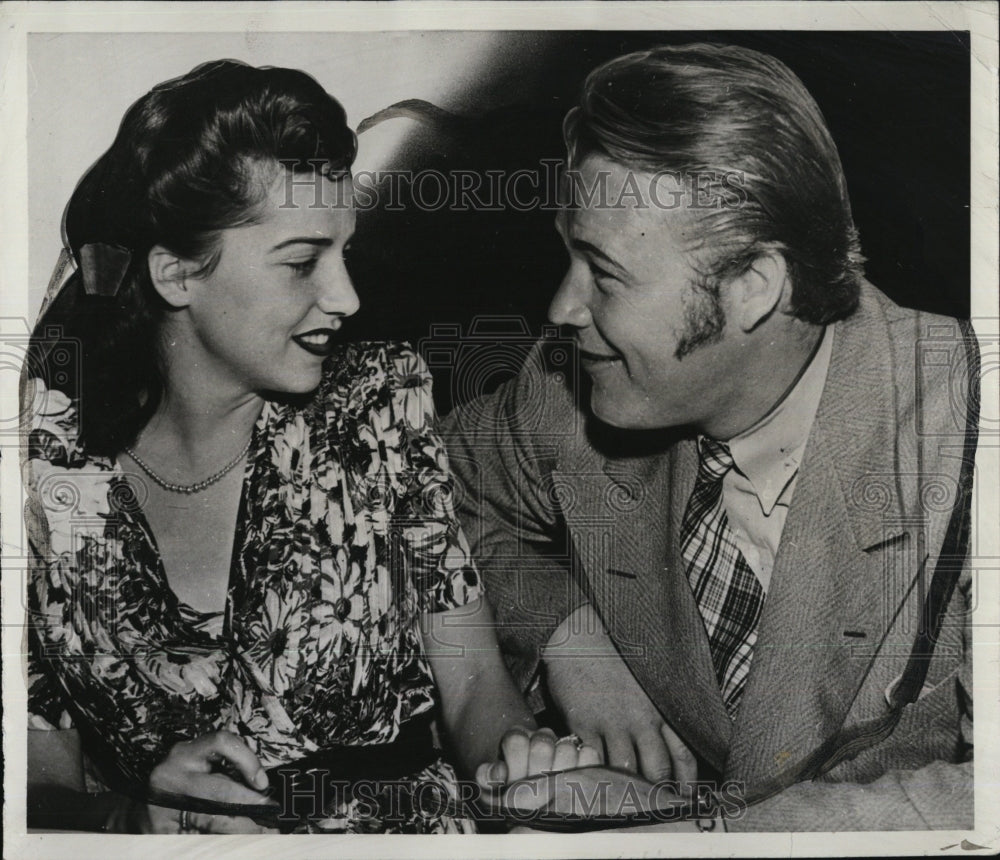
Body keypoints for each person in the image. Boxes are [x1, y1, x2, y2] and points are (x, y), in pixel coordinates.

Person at [22, 59, 597, 835]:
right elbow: (33, 788)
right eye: (302, 263)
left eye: (345, 253)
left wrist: (522, 759)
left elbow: (471, 692)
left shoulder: (381, 404)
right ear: (176, 273)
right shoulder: (44, 471)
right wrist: (128, 818)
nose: (347, 298)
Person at [442, 43, 978, 831]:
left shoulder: (970, 433)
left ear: (752, 287)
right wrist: (569, 633)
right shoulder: (569, 390)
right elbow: (420, 487)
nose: (561, 309)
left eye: (605, 271)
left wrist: (691, 833)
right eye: (569, 254)